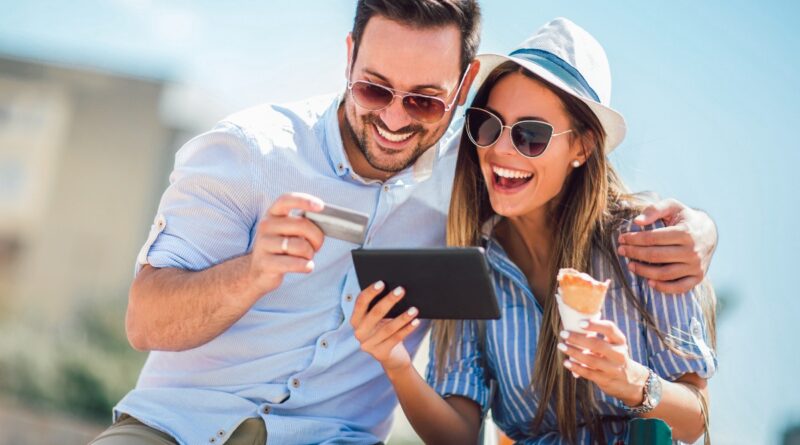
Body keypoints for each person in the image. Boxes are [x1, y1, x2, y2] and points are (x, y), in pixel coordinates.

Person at [90, 2, 717, 444]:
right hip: (179, 429)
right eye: (373, 89)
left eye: (423, 99)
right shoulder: (251, 153)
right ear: (348, 58)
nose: (394, 118)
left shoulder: (475, 186)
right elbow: (145, 321)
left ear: (462, 86)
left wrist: (701, 230)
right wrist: (251, 273)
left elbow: (693, 417)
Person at [352, 18, 716, 444]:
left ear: (581, 147)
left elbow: (696, 420)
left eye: (531, 135)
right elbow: (459, 436)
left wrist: (629, 378)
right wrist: (395, 362)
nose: (500, 148)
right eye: (488, 125)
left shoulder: (646, 244)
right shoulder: (474, 266)